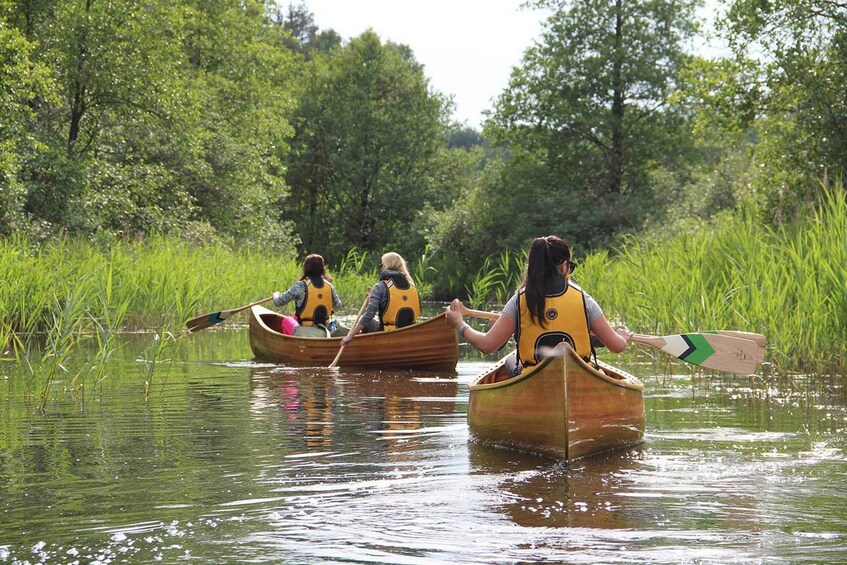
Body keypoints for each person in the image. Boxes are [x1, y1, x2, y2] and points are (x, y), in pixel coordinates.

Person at [444, 236, 632, 375]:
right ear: (564, 266)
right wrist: (622, 337)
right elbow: (616, 347)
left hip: (534, 376)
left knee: (511, 358)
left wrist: (460, 324)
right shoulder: (583, 299)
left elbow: (488, 346)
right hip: (579, 375)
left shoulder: (519, 300)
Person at [340, 252, 421, 346]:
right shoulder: (412, 286)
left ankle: (370, 350)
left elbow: (369, 315)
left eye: (381, 265)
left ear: (386, 266)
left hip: (388, 334)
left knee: (367, 322)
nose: (381, 267)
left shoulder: (380, 286)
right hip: (409, 334)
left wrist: (351, 334)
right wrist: (373, 298)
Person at [272, 254, 348, 337]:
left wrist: (276, 294)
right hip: (325, 328)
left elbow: (278, 302)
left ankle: (292, 345)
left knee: (286, 320)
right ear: (322, 269)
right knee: (294, 318)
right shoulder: (329, 286)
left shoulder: (301, 285)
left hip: (306, 329)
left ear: (306, 268)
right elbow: (338, 306)